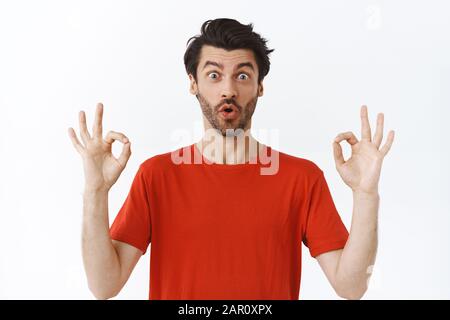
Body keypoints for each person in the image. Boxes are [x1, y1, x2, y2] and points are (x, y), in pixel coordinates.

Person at [68, 18, 395, 300]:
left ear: (259, 86)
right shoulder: (157, 176)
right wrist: (95, 191)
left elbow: (350, 286)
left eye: (242, 76)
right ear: (193, 84)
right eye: (213, 75)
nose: (228, 90)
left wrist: (366, 195)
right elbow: (104, 285)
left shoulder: (301, 178)